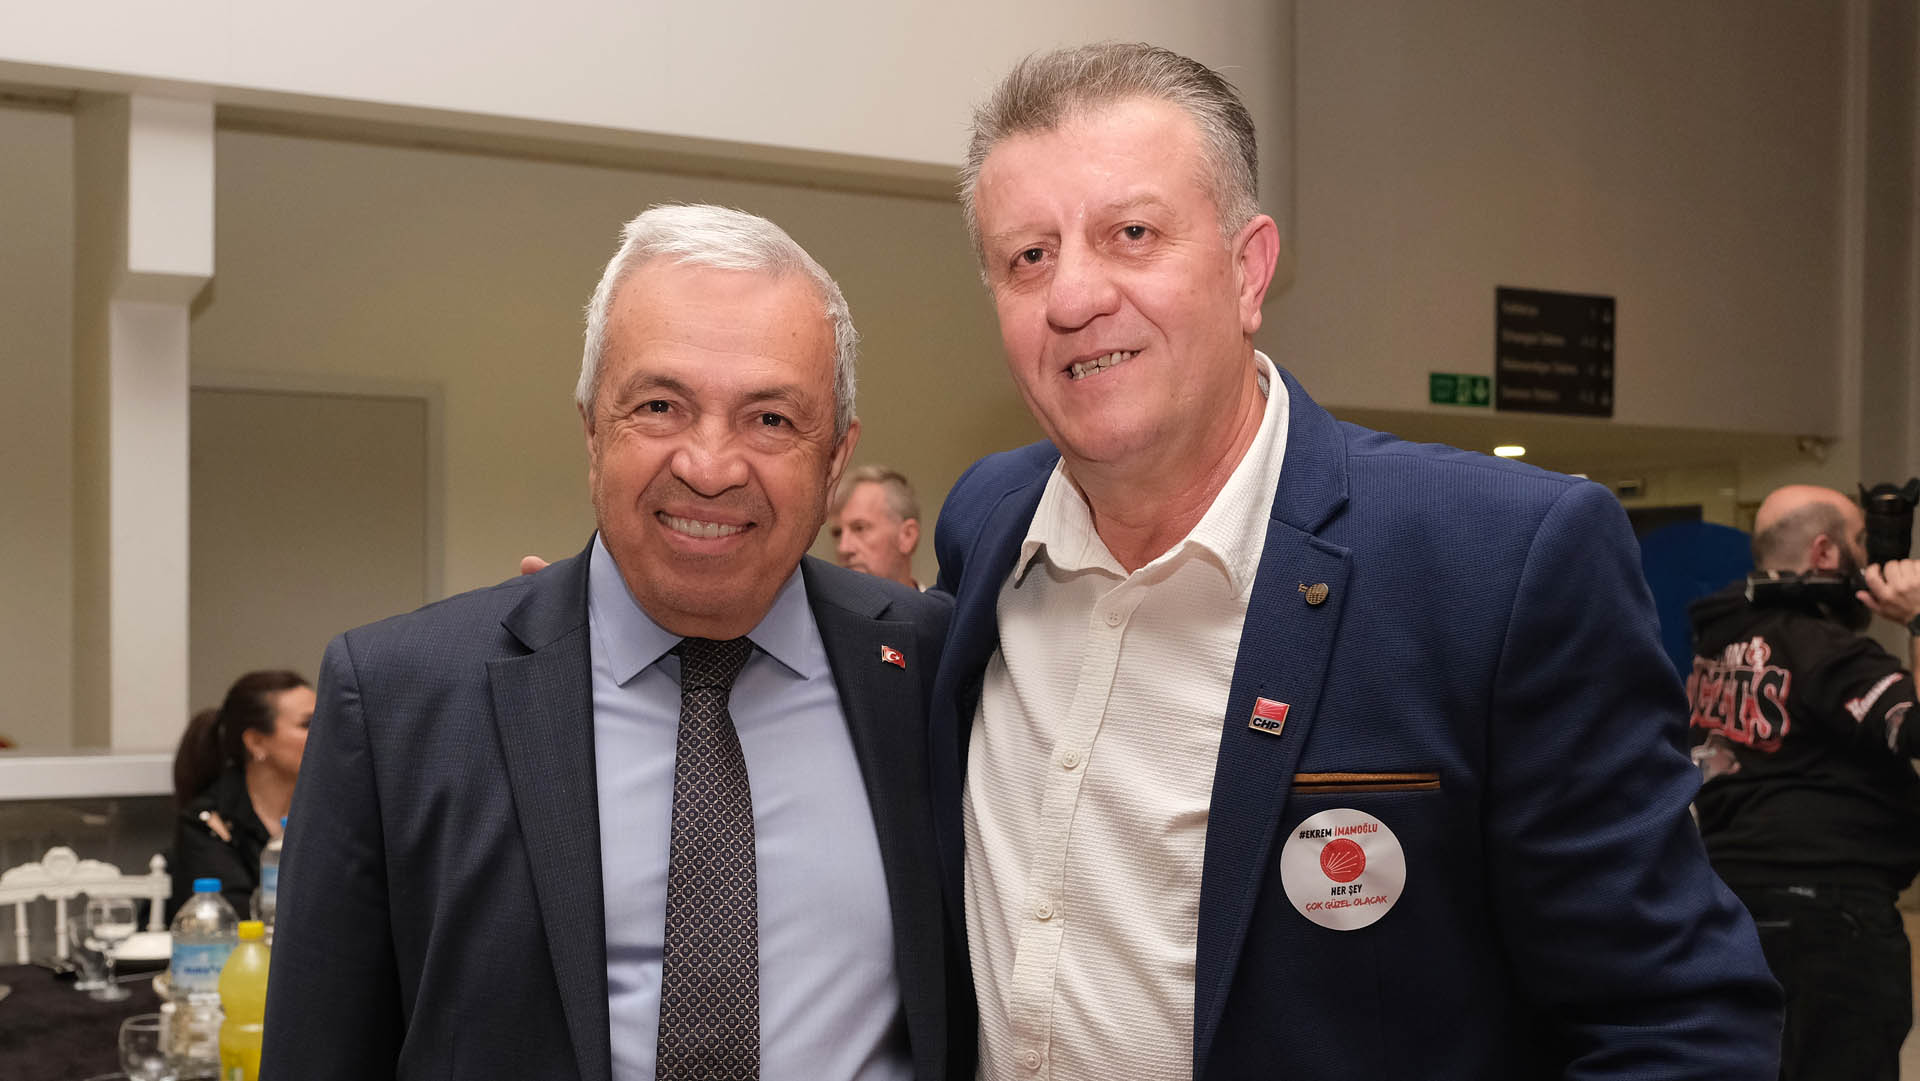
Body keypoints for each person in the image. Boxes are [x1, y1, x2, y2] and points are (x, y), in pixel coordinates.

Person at [926, 43, 1782, 1079]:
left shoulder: (1499, 561)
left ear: (1248, 269)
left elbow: (1679, 1023)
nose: (1073, 294)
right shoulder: (988, 524)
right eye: (1028, 256)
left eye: (1132, 234)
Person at [262, 205, 962, 1081]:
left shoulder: (931, 667)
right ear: (593, 430)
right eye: (661, 406)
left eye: (772, 419)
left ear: (835, 459)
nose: (710, 466)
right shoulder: (399, 700)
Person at [1688, 484, 1920, 1080]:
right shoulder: (1829, 650)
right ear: (1824, 552)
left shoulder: (1716, 643)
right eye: (1862, 542)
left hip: (1730, 907)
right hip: (1833, 920)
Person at [167, 669, 312, 920]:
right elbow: (231, 916)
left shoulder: (336, 810)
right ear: (256, 742)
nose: (327, 734)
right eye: (307, 724)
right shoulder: (208, 821)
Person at [829, 465, 924, 589]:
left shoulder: (944, 602)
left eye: (859, 528)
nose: (843, 548)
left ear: (907, 536)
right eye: (837, 533)